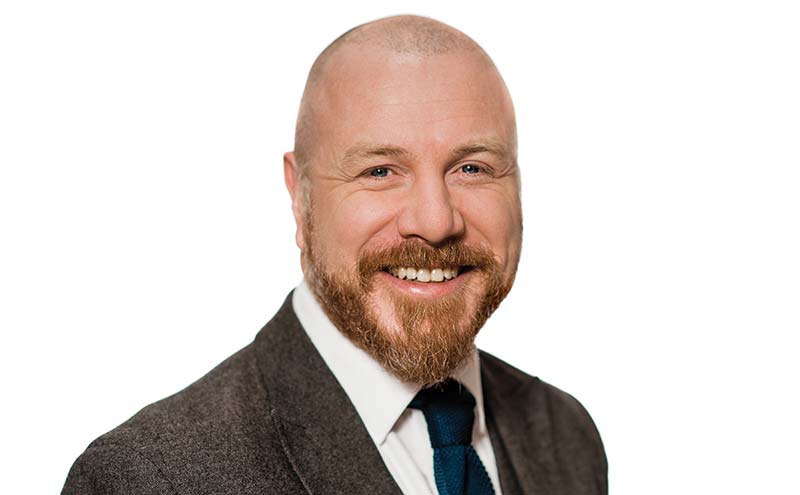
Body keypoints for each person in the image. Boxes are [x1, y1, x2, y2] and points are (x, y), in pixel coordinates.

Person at [62, 15, 607, 495]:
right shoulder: (148, 478)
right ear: (299, 197)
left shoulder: (566, 435)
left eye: (472, 168)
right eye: (379, 171)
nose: (435, 222)